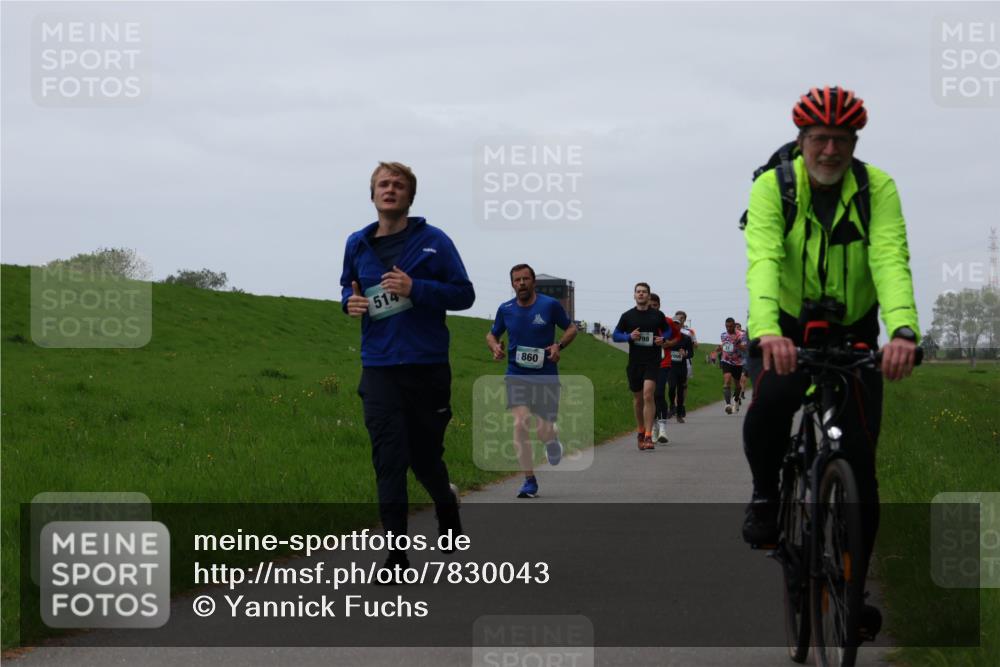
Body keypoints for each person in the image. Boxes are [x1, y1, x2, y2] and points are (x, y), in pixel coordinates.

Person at [741, 86, 920, 640]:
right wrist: (767, 330)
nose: (830, 150)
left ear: (854, 143)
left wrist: (904, 329)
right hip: (786, 328)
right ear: (801, 141)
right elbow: (764, 258)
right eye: (820, 139)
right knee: (771, 402)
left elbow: (889, 256)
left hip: (855, 329)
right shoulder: (776, 187)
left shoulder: (877, 188)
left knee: (861, 469)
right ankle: (767, 494)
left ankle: (853, 587)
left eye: (841, 140)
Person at [340, 161, 475, 579]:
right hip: (379, 369)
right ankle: (396, 557)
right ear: (373, 194)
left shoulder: (434, 241)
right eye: (383, 184)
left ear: (410, 196)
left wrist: (417, 288)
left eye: (398, 185)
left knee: (425, 457)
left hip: (427, 368)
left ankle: (445, 502)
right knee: (389, 460)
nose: (390, 189)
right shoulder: (357, 243)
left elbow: (464, 295)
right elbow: (349, 285)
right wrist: (350, 302)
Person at [486, 264, 578, 498]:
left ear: (533, 281)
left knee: (543, 430)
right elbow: (492, 333)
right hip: (516, 374)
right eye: (517, 280)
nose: (522, 283)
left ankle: (552, 440)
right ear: (512, 284)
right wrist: (495, 346)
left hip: (545, 375)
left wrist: (559, 345)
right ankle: (529, 480)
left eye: (526, 279)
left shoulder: (549, 305)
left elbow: (571, 329)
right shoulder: (505, 309)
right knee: (520, 423)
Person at [613, 283, 679, 450]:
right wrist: (629, 336)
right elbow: (615, 335)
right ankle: (641, 431)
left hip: (653, 360)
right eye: (638, 292)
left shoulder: (657, 315)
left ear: (649, 296)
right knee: (638, 400)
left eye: (644, 292)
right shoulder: (627, 316)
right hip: (635, 362)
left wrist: (662, 339)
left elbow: (667, 332)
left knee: (648, 395)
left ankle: (649, 436)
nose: (641, 294)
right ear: (634, 295)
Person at [648, 294, 682, 441]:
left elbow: (677, 336)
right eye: (650, 305)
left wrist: (669, 344)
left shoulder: (667, 321)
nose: (652, 308)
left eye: (654, 305)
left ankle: (662, 428)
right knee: (649, 396)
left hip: (663, 362)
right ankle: (653, 426)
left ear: (659, 306)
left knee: (659, 393)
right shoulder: (640, 320)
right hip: (646, 362)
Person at [710, 317, 748, 414]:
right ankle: (727, 404)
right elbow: (725, 345)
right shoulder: (723, 335)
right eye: (727, 326)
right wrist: (719, 348)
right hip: (726, 361)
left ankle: (736, 399)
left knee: (737, 385)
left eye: (730, 326)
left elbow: (745, 348)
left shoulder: (741, 335)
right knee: (727, 380)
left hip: (738, 362)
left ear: (734, 325)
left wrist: (737, 343)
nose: (728, 328)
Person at [667, 310, 695, 423]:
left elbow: (691, 353)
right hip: (670, 366)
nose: (676, 325)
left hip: (681, 367)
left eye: (678, 323)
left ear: (681, 325)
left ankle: (679, 414)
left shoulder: (686, 338)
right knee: (671, 387)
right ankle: (672, 405)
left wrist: (685, 354)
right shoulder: (667, 337)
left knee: (680, 389)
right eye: (674, 323)